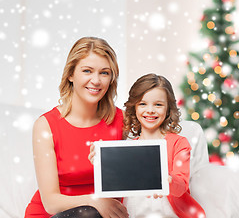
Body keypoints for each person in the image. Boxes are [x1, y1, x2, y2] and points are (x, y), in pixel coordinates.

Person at [24, 37, 129, 218]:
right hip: (56, 215)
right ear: (71, 74)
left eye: (104, 73)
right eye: (87, 71)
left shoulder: (122, 120)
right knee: (88, 214)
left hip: (103, 215)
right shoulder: (46, 125)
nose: (96, 80)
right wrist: (94, 201)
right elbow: (50, 202)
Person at [89, 73, 206, 218]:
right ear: (134, 107)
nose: (150, 110)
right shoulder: (128, 147)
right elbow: (117, 185)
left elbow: (181, 185)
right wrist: (103, 163)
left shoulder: (179, 143)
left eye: (158, 104)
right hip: (133, 213)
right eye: (143, 104)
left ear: (168, 108)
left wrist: (168, 180)